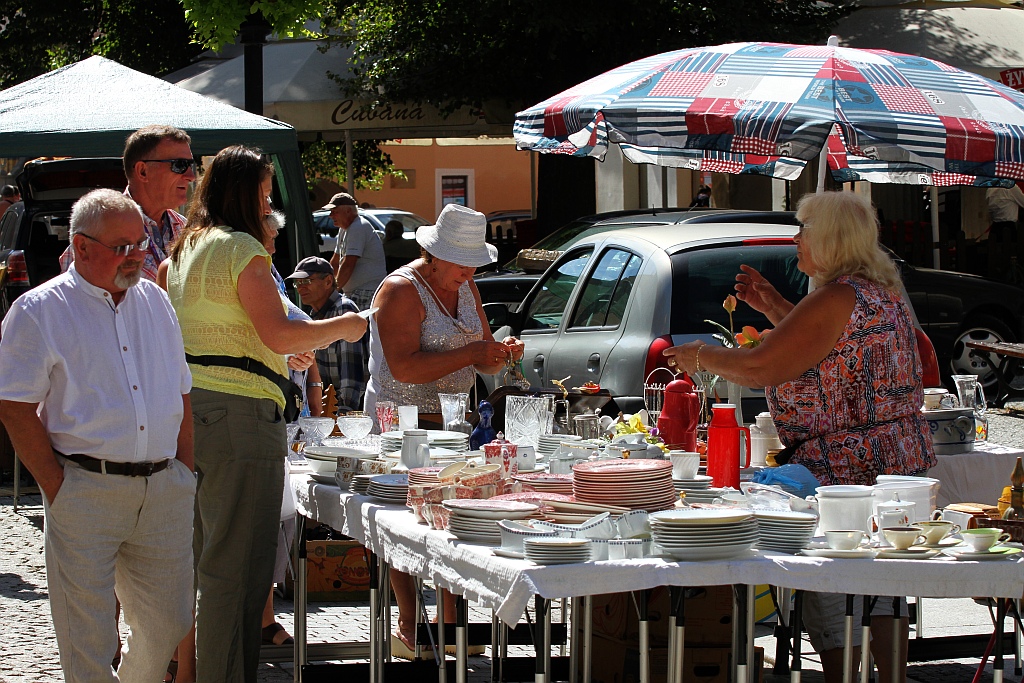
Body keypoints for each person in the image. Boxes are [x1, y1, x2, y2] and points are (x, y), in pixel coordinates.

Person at [662, 191, 936, 683]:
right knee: (883, 583)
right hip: (892, 460)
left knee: (833, 588)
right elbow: (824, 345)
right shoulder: (878, 291)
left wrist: (700, 355)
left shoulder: (837, 296)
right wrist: (773, 305)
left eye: (805, 230)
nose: (796, 239)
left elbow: (763, 364)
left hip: (846, 467)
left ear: (829, 240)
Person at [164, 146, 367, 683]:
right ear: (245, 192)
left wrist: (280, 350)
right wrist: (343, 327)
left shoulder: (188, 247)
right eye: (265, 191)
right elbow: (278, 330)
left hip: (195, 413)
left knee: (214, 561)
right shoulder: (241, 248)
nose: (270, 200)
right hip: (238, 417)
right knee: (240, 572)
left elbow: (231, 332)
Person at [0, 189, 196, 683]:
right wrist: (57, 486)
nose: (136, 255)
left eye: (140, 243)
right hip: (84, 487)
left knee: (168, 622)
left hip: (162, 490)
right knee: (87, 637)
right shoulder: (39, 311)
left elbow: (182, 393)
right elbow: (13, 405)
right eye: (122, 246)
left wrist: (184, 472)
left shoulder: (154, 300)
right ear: (81, 246)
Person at [364, 202, 525, 658]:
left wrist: (499, 354)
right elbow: (404, 366)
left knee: (452, 514)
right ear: (433, 255)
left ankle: (452, 625)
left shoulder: (466, 286)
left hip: (453, 420)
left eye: (474, 264)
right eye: (461, 262)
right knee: (404, 520)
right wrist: (475, 352)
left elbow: (482, 349)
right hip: (400, 421)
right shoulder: (400, 290)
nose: (469, 273)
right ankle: (408, 625)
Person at [60, 125, 196, 281]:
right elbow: (72, 294)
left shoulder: (184, 228)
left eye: (190, 165)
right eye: (179, 165)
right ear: (142, 171)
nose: (190, 176)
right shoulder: (100, 226)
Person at [286, 256, 367, 412]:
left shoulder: (343, 310)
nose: (300, 288)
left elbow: (352, 374)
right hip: (327, 408)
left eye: (306, 281)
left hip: (345, 409)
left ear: (328, 281)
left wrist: (344, 413)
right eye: (297, 283)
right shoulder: (312, 315)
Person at [324, 192, 387, 309]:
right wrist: (326, 285)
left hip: (366, 292)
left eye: (334, 211)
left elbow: (348, 264)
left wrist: (331, 292)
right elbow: (335, 262)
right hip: (356, 292)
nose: (330, 215)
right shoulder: (345, 229)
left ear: (348, 211)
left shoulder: (358, 227)